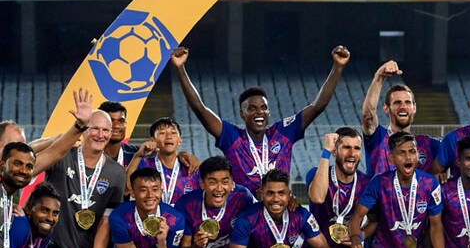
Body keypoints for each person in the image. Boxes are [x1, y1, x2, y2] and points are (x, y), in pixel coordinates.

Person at [170, 44, 350, 193]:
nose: (259, 112)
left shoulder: (283, 132)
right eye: (252, 108)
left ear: (269, 113)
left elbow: (317, 106)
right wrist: (181, 70)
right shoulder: (232, 136)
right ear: (242, 114)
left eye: (264, 108)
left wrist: (337, 67)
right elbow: (200, 109)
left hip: (279, 211)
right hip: (245, 215)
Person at [38, 91, 122, 248]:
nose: (100, 134)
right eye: (94, 128)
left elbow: (106, 222)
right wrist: (76, 127)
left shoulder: (116, 173)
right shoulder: (61, 155)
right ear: (86, 130)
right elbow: (33, 153)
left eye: (105, 130)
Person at [361, 60, 441, 176]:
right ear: (386, 108)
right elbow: (368, 115)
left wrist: (443, 174)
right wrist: (379, 76)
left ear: (414, 108)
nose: (403, 107)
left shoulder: (428, 144)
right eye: (397, 103)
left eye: (407, 102)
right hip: (380, 194)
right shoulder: (378, 138)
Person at [126, 117, 200, 206]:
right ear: (152, 140)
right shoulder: (144, 164)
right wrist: (138, 156)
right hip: (151, 218)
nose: (169, 136)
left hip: (183, 219)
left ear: (180, 140)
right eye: (162, 133)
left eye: (173, 133)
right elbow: (128, 188)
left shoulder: (191, 167)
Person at [98, 101, 139, 168]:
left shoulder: (135, 153)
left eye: (121, 121)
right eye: (111, 121)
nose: (116, 126)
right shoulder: (89, 154)